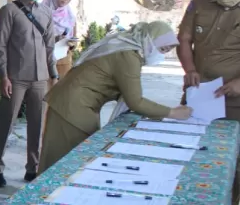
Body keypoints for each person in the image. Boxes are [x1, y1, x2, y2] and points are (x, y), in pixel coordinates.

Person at [40, 21, 193, 173]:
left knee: (65, 158)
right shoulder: (128, 56)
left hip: (72, 101)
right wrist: (172, 113)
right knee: (69, 162)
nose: (161, 55)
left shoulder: (125, 48)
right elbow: (135, 101)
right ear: (149, 40)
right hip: (73, 106)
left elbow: (127, 92)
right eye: (161, 49)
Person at [177, 0, 240, 205]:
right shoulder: (199, 2)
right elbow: (184, 39)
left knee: (231, 165)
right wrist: (190, 69)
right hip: (198, 95)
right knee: (187, 152)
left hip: (234, 102)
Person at [0, 0, 58, 186]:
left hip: (40, 78)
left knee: (37, 125)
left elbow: (50, 48)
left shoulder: (46, 12)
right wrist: (3, 76)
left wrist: (54, 75)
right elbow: (1, 47)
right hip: (15, 77)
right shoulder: (9, 10)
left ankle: (32, 168)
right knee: (7, 123)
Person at [44, 0, 78, 78]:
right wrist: (56, 39)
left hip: (64, 62)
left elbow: (74, 39)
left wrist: (72, 45)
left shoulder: (70, 17)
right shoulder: (41, 13)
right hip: (44, 63)